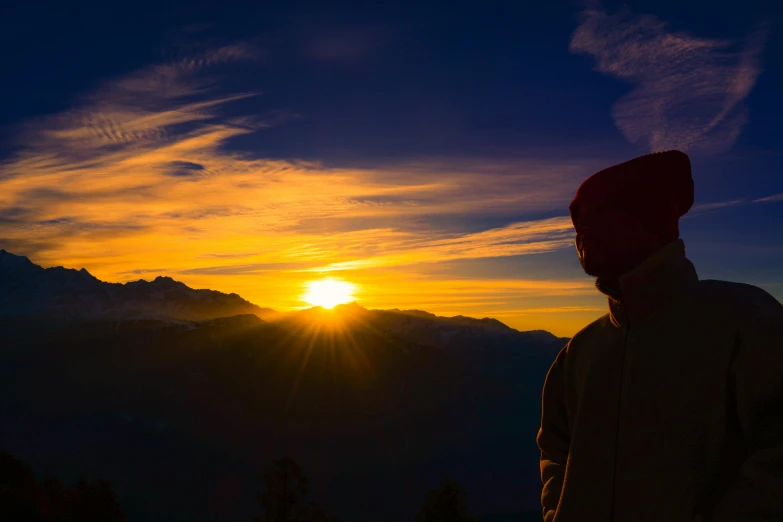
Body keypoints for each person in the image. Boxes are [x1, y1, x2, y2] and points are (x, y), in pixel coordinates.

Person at [536, 150, 783, 522]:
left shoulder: (747, 322)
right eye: (577, 221)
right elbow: (555, 448)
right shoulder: (579, 351)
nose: (580, 232)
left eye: (595, 214)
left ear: (646, 219)